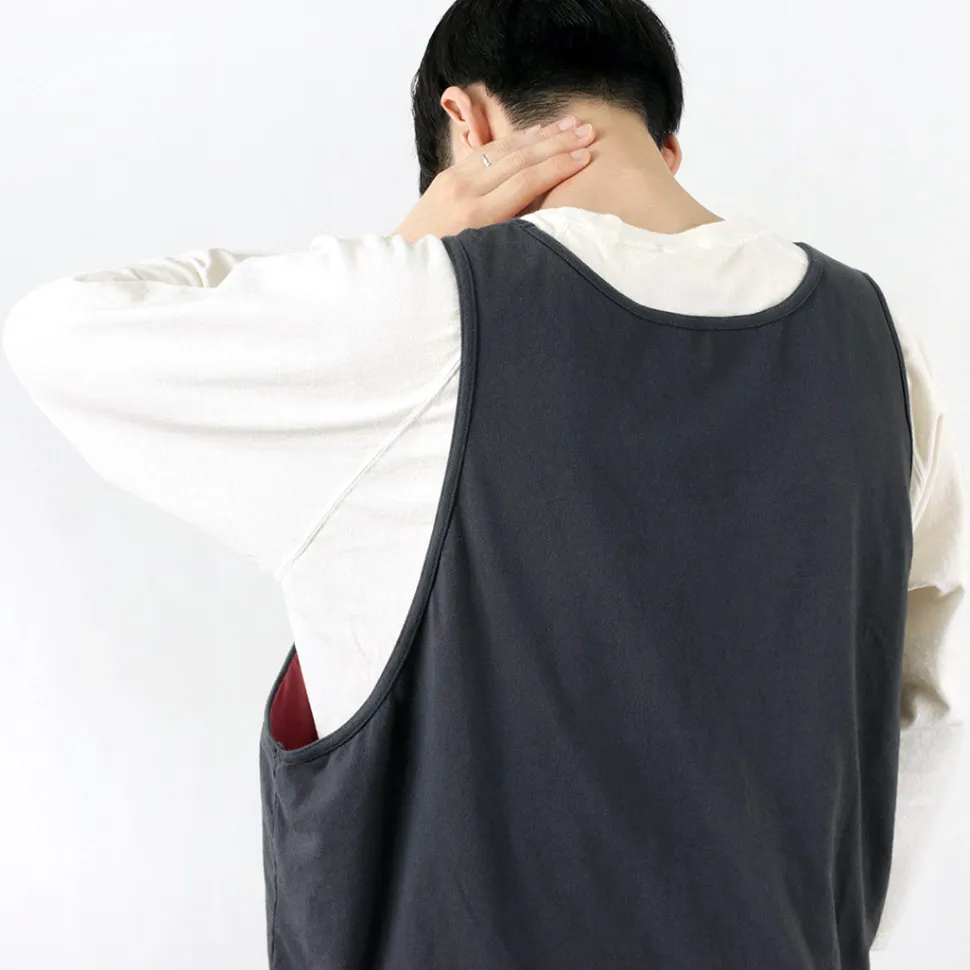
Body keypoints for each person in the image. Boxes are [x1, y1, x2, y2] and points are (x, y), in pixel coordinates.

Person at [2, 1, 966, 967]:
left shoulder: (425, 312)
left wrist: (413, 239)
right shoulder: (878, 343)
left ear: (467, 123)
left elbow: (58, 335)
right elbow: (923, 705)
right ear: (667, 149)